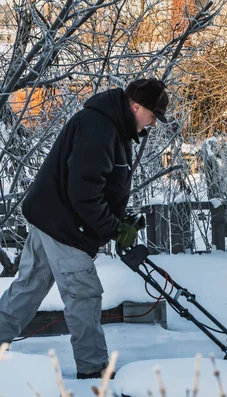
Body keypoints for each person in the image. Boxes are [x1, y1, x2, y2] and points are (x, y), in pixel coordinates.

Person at [0, 78, 169, 379]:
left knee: (29, 287)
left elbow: (99, 185)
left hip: (51, 216)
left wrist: (119, 220)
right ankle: (93, 369)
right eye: (153, 114)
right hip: (64, 224)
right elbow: (84, 193)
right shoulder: (99, 128)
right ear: (135, 106)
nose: (154, 122)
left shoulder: (111, 125)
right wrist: (113, 229)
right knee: (84, 293)